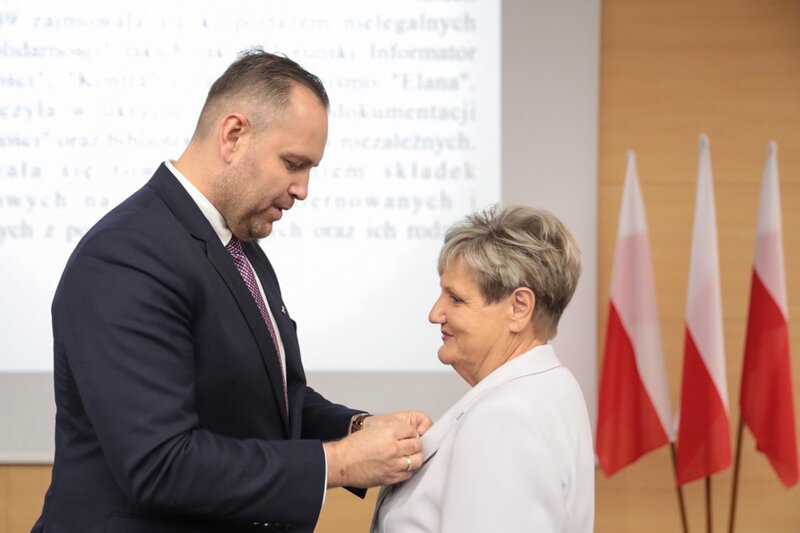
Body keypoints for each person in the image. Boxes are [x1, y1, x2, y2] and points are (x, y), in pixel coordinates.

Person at [32, 49, 431, 533]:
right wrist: (340, 462)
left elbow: (266, 400)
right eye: (292, 163)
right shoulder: (126, 257)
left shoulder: (238, 246)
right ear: (233, 134)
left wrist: (356, 428)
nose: (303, 189)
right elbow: (161, 464)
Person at [372, 205, 594, 533]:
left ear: (519, 307)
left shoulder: (507, 417)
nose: (436, 313)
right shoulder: (551, 385)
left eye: (456, 299)